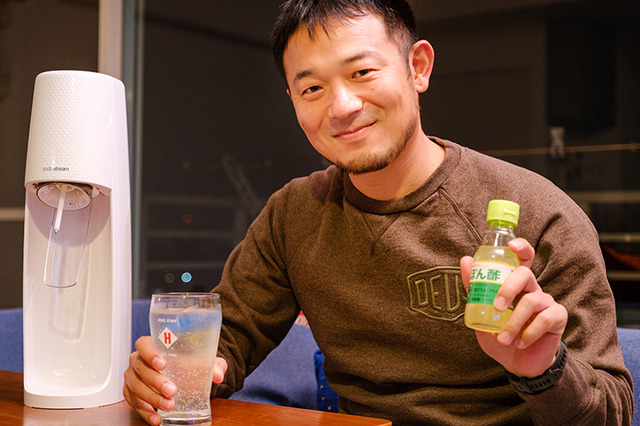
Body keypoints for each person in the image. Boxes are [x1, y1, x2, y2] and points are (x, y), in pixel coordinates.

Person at [124, 0, 633, 424]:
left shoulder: (537, 215)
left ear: (418, 67)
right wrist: (164, 377)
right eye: (312, 88)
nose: (341, 106)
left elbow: (612, 412)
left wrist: (544, 370)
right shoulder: (294, 215)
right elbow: (226, 344)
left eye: (362, 72)